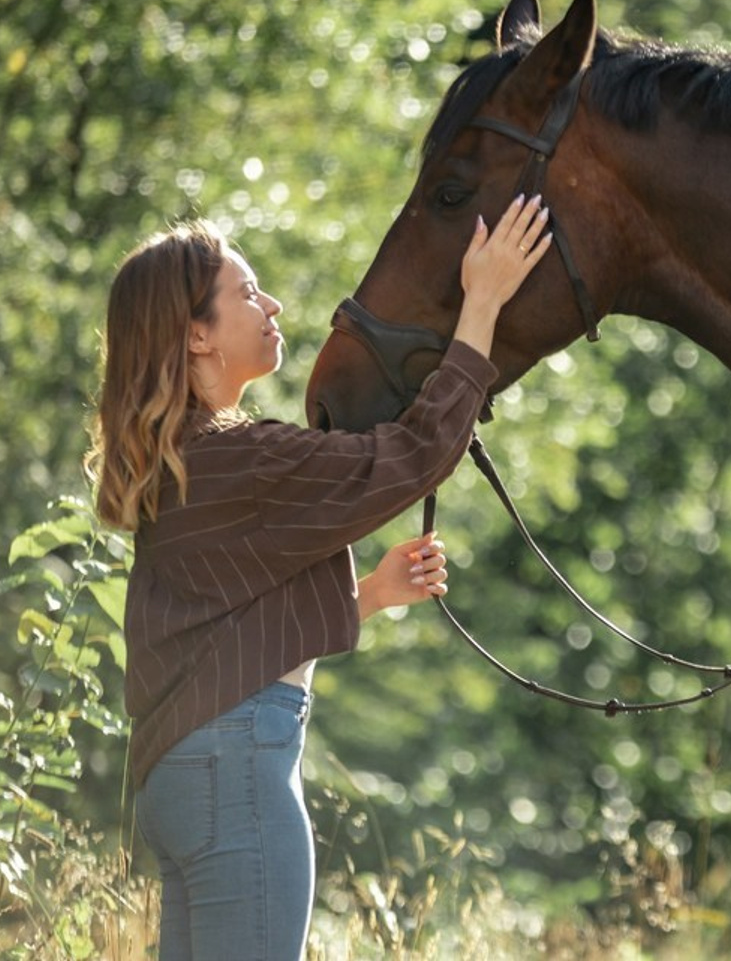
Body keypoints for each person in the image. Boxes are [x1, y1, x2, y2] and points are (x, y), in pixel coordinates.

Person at [85, 194, 552, 961]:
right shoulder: (238, 457)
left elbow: (220, 623)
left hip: (182, 778)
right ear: (195, 333)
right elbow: (408, 456)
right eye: (245, 293)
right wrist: (485, 303)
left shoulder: (185, 462)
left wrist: (367, 595)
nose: (270, 305)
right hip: (235, 774)